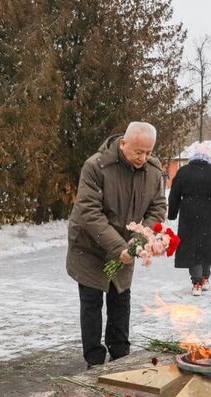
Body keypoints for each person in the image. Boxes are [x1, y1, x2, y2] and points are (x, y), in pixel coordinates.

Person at [66, 121, 167, 368]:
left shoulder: (153, 171)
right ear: (123, 144)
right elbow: (89, 212)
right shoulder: (96, 166)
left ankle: (120, 356)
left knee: (120, 299)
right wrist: (118, 247)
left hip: (126, 245)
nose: (143, 158)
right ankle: (94, 360)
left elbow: (157, 209)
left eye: (149, 152)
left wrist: (139, 239)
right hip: (90, 245)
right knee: (92, 302)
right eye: (138, 152)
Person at [167, 143, 211, 296]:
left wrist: (172, 214)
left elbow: (174, 195)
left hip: (188, 214)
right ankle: (205, 278)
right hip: (208, 214)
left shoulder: (183, 171)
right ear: (207, 156)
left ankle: (196, 283)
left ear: (193, 156)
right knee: (207, 245)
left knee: (191, 248)